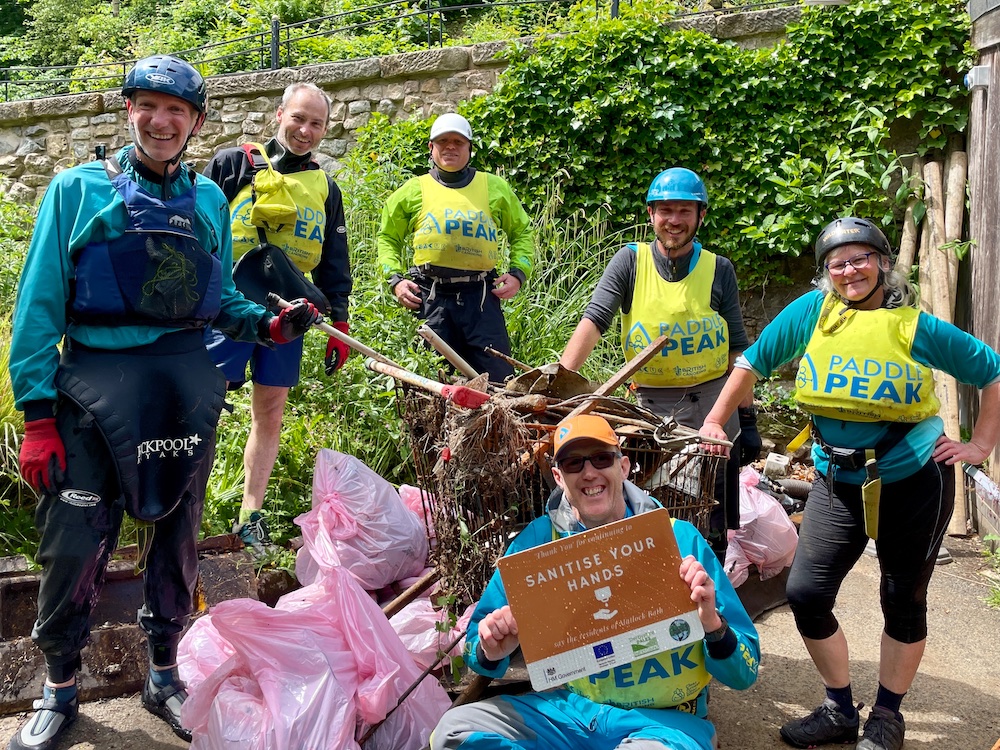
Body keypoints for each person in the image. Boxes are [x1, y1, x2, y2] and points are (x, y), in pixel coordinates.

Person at [6, 55, 321, 750]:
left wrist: (265, 324)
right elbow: (37, 309)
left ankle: (164, 675)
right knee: (72, 548)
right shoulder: (75, 191)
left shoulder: (209, 201)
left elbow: (218, 299)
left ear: (197, 121)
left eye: (177, 110)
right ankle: (59, 685)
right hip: (93, 389)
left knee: (177, 543)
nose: (162, 120)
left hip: (182, 389)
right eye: (148, 105)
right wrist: (36, 416)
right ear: (128, 111)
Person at [699, 217, 1000, 750]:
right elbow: (750, 362)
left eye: (860, 258)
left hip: (912, 479)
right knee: (806, 593)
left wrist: (980, 446)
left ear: (884, 263)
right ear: (826, 273)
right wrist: (714, 422)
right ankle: (839, 708)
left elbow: (991, 371)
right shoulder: (812, 313)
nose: (849, 269)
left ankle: (887, 715)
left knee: (901, 599)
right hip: (836, 480)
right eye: (837, 262)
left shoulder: (915, 326)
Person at [430, 413, 760, 750]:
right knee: (452, 732)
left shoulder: (679, 540)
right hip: (568, 713)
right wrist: (491, 647)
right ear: (558, 476)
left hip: (665, 721)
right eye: (574, 464)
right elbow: (475, 649)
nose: (589, 473)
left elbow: (744, 673)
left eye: (602, 458)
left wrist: (713, 624)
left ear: (624, 467)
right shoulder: (536, 546)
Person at [559, 167, 752, 557]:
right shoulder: (630, 262)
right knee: (652, 501)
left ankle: (711, 589)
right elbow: (594, 321)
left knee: (712, 509)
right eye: (665, 210)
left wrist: (746, 419)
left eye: (685, 211)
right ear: (651, 215)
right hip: (650, 408)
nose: (674, 221)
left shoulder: (719, 269)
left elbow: (737, 350)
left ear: (701, 216)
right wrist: (559, 385)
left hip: (713, 406)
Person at [202, 82, 352, 553]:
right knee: (201, 408)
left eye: (317, 124)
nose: (306, 130)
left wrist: (340, 322)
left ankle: (251, 515)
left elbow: (334, 259)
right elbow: (197, 230)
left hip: (291, 314)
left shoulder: (327, 188)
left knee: (270, 411)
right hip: (226, 307)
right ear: (279, 113)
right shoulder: (233, 164)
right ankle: (184, 507)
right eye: (298, 119)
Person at [377, 112, 533, 383]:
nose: (450, 147)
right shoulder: (413, 190)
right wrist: (395, 280)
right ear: (431, 148)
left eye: (458, 142)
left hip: (482, 299)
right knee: (430, 386)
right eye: (443, 141)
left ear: (469, 148)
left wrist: (519, 273)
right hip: (430, 298)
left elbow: (522, 232)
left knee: (498, 382)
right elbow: (387, 238)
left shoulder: (495, 187)